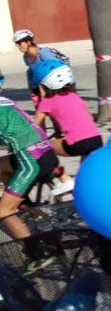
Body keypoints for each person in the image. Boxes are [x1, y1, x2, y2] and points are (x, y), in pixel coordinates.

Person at [0, 95, 58, 238]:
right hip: (46, 153)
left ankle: (36, 254)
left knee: (4, 212)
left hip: (31, 163)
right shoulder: (5, 101)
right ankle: (25, 207)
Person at [30, 60, 101, 172]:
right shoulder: (74, 96)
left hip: (77, 144)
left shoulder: (47, 101)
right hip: (96, 139)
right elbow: (90, 118)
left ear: (42, 86)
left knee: (43, 148)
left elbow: (34, 127)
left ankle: (64, 179)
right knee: (84, 170)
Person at [13, 29, 66, 97]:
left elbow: (57, 69)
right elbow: (32, 71)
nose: (17, 46)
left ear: (28, 42)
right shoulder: (25, 57)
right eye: (16, 44)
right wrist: (32, 90)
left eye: (19, 43)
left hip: (56, 85)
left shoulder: (43, 53)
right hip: (41, 86)